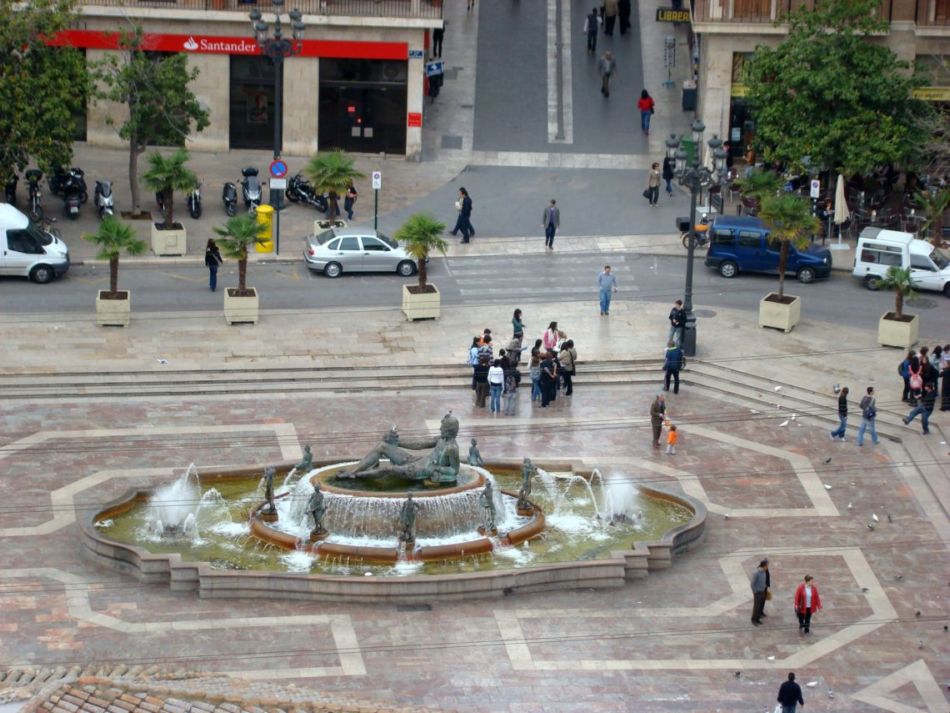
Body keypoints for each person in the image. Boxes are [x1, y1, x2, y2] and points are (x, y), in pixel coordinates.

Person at [750, 558, 768, 625]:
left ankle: (757, 619)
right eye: (766, 566)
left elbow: (763, 580)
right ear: (763, 566)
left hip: (762, 591)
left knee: (760, 606)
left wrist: (764, 586)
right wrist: (755, 591)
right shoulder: (756, 573)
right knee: (756, 606)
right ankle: (753, 619)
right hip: (757, 592)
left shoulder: (764, 572)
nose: (767, 567)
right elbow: (752, 584)